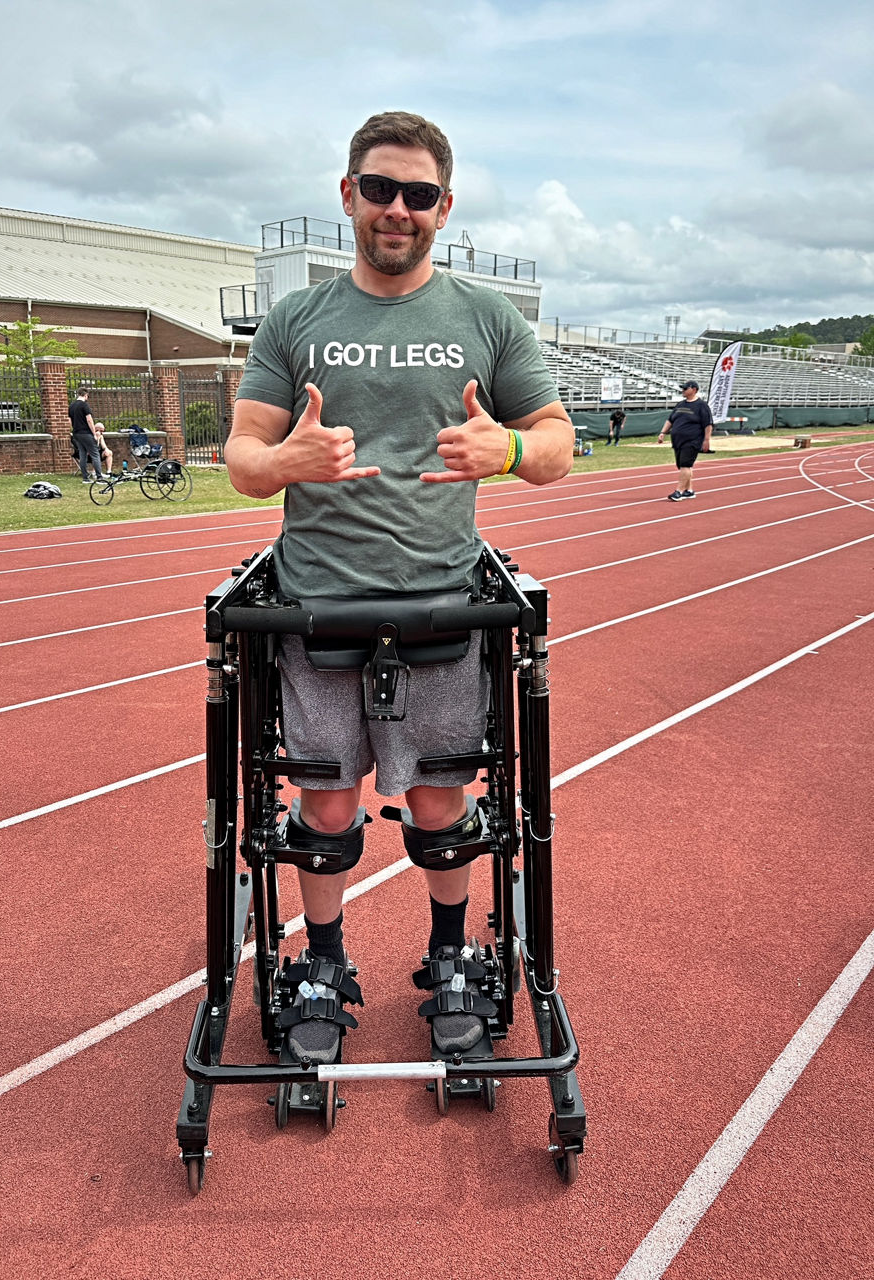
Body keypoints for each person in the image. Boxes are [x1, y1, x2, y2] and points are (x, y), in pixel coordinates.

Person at [225, 110, 574, 1065]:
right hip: (319, 603)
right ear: (348, 196)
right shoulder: (297, 321)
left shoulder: (484, 319)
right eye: (379, 188)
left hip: (440, 601)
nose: (397, 209)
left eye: (418, 195)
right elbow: (242, 459)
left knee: (442, 800)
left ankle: (452, 959)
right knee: (327, 804)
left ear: (444, 208)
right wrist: (289, 457)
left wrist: (503, 447)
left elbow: (555, 444)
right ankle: (324, 964)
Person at [657, 379, 713, 500]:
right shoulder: (680, 404)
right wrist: (663, 432)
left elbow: (708, 424)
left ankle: (679, 491)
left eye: (685, 388)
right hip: (678, 441)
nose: (682, 390)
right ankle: (689, 490)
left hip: (692, 440)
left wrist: (706, 440)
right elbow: (670, 420)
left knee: (685, 465)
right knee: (682, 465)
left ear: (694, 390)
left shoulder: (701, 406)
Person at [68, 387, 103, 483]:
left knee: (82, 454)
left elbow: (69, 421)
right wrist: (94, 433)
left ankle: (85, 477)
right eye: (88, 396)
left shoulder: (71, 406)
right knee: (95, 454)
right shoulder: (84, 405)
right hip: (86, 433)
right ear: (85, 395)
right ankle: (99, 477)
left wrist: (74, 429)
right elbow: (89, 420)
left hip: (76, 433)